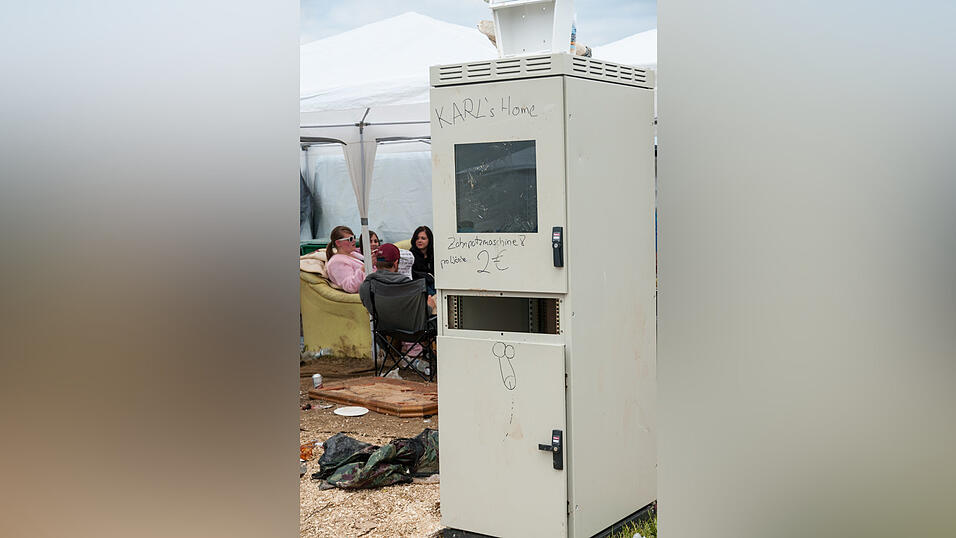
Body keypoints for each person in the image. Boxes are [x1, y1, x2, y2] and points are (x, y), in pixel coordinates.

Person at [359, 243, 437, 314]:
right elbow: (421, 314)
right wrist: (430, 306)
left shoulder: (366, 286)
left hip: (383, 328)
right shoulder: (412, 286)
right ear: (396, 264)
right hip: (410, 328)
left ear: (376, 263)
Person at [325, 225, 366, 293]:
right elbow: (350, 287)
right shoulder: (336, 262)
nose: (354, 241)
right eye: (350, 239)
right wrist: (363, 269)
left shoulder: (353, 254)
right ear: (338, 243)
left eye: (354, 237)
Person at [410, 225, 435, 295]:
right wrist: (427, 276)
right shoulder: (410, 255)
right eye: (417, 238)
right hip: (418, 287)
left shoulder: (434, 253)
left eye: (423, 238)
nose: (419, 241)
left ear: (429, 240)